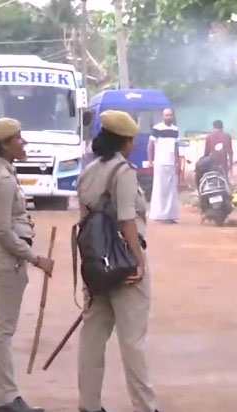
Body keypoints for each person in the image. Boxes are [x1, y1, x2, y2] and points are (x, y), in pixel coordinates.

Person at [77, 110, 160, 412]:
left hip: (96, 265)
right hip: (124, 263)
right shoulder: (122, 172)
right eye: (132, 139)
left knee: (92, 338)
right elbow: (127, 220)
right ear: (125, 142)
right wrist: (138, 262)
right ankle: (145, 406)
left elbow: (84, 221)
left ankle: (88, 405)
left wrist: (93, 266)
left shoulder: (89, 170)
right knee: (133, 340)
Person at [0, 118, 54, 412]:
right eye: (18, 138)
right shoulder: (5, 180)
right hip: (7, 259)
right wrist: (36, 259)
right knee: (1, 332)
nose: (24, 143)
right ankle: (7, 399)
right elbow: (4, 230)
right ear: (5, 144)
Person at [148, 108, 180, 224]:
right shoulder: (157, 128)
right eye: (166, 115)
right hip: (160, 162)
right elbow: (150, 145)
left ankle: (170, 216)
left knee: (171, 190)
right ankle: (160, 216)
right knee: (161, 190)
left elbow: (176, 147)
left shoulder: (175, 130)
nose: (169, 117)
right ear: (163, 116)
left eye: (170, 115)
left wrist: (178, 162)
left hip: (171, 163)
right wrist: (150, 160)